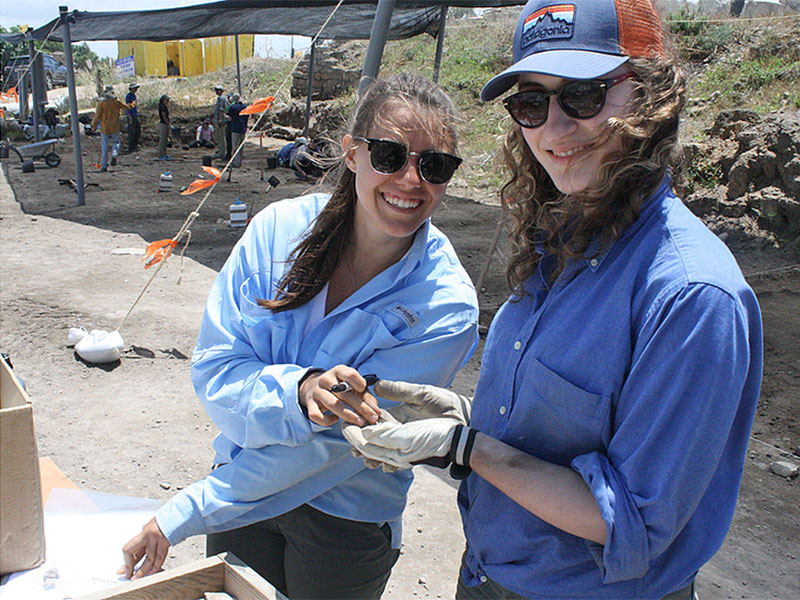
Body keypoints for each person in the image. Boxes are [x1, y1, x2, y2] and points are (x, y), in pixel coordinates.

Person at [344, 2, 764, 599]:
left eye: (585, 96)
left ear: (650, 94)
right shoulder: (561, 243)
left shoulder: (691, 297)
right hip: (490, 573)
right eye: (531, 104)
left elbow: (629, 522)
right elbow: (557, 437)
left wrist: (469, 448)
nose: (555, 129)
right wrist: (473, 426)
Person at [120, 73, 479, 600]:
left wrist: (188, 510)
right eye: (388, 155)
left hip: (345, 522)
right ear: (351, 153)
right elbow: (219, 368)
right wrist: (299, 389)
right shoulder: (277, 233)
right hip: (241, 498)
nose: (410, 179)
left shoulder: (444, 306)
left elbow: (336, 446)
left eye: (434, 165)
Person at [91, 85, 131, 172]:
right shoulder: (116, 102)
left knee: (104, 146)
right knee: (116, 142)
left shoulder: (101, 103)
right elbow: (127, 107)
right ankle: (114, 154)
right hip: (114, 126)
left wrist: (93, 127)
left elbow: (97, 116)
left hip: (104, 127)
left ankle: (104, 165)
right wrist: (133, 104)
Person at [226, 93, 248, 168]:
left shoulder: (233, 107)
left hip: (235, 128)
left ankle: (236, 162)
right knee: (241, 146)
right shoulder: (245, 107)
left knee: (235, 146)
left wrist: (224, 115)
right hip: (243, 128)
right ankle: (240, 161)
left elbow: (230, 118)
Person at [212, 84, 228, 159]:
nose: (216, 92)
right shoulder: (221, 98)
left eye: (218, 90)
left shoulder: (221, 98)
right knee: (219, 136)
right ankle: (221, 150)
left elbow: (221, 110)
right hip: (219, 120)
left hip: (220, 121)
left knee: (221, 137)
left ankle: (222, 152)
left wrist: (220, 119)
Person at [125, 82, 141, 152]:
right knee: (132, 131)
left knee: (137, 130)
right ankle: (131, 147)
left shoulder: (133, 96)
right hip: (131, 115)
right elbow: (128, 107)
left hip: (135, 114)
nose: (136, 90)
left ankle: (135, 145)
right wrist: (129, 116)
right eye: (134, 88)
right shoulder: (129, 96)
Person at [157, 94, 171, 161]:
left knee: (165, 140)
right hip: (163, 124)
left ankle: (165, 154)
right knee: (162, 140)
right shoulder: (162, 107)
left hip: (165, 124)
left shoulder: (165, 106)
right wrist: (168, 123)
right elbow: (164, 116)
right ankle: (161, 155)